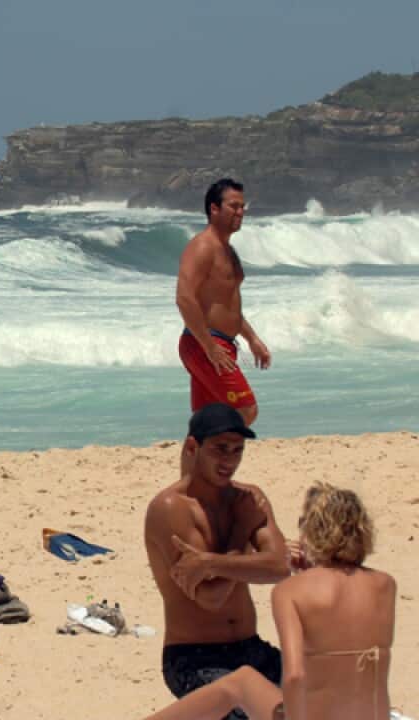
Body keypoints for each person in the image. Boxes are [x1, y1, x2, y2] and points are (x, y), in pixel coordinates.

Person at [144, 482, 394, 720]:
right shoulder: (385, 585)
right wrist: (311, 573)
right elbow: (343, 641)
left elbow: (295, 674)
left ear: (313, 530)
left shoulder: (291, 592)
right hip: (370, 714)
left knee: (240, 682)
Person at [144, 404, 292, 720]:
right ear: (192, 447)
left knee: (330, 698)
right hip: (194, 658)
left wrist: (211, 563)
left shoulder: (248, 497)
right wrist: (240, 534)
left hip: (253, 649)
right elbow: (211, 597)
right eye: (220, 449)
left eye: (237, 451)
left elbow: (279, 566)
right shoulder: (171, 509)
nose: (230, 461)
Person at [176, 178, 271, 428]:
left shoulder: (227, 250)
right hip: (206, 343)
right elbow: (184, 298)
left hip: (219, 344)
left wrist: (252, 339)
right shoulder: (202, 247)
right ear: (214, 209)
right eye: (233, 206)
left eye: (242, 207)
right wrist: (209, 346)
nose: (240, 212)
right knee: (245, 410)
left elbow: (227, 305)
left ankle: (198, 466)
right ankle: (219, 459)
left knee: (205, 421)